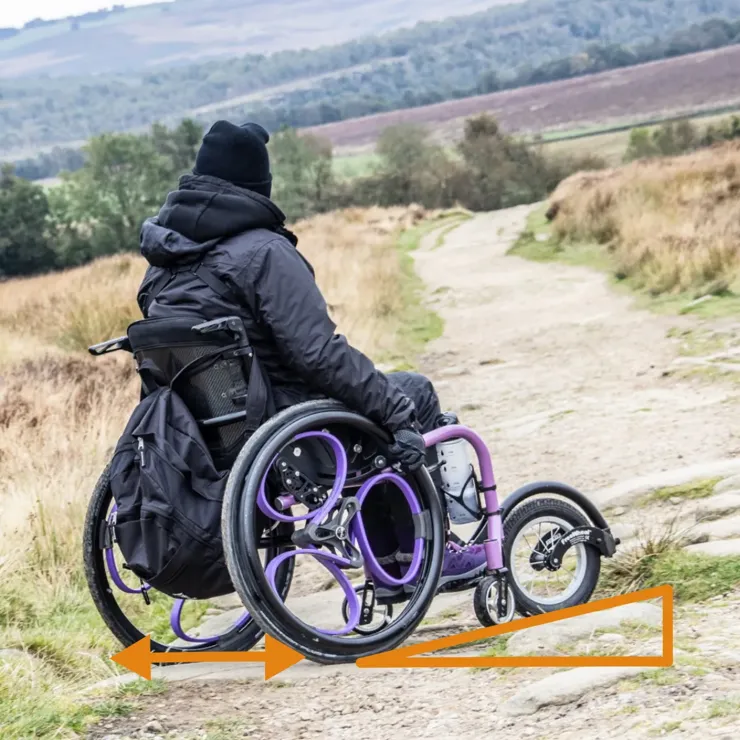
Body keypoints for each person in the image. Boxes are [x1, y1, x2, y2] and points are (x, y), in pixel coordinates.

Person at [136, 120, 486, 593]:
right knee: (410, 395)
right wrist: (394, 409)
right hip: (290, 432)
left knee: (378, 402)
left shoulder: (161, 269)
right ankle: (417, 558)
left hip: (207, 436)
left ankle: (395, 562)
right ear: (257, 186)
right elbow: (319, 354)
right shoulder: (263, 253)